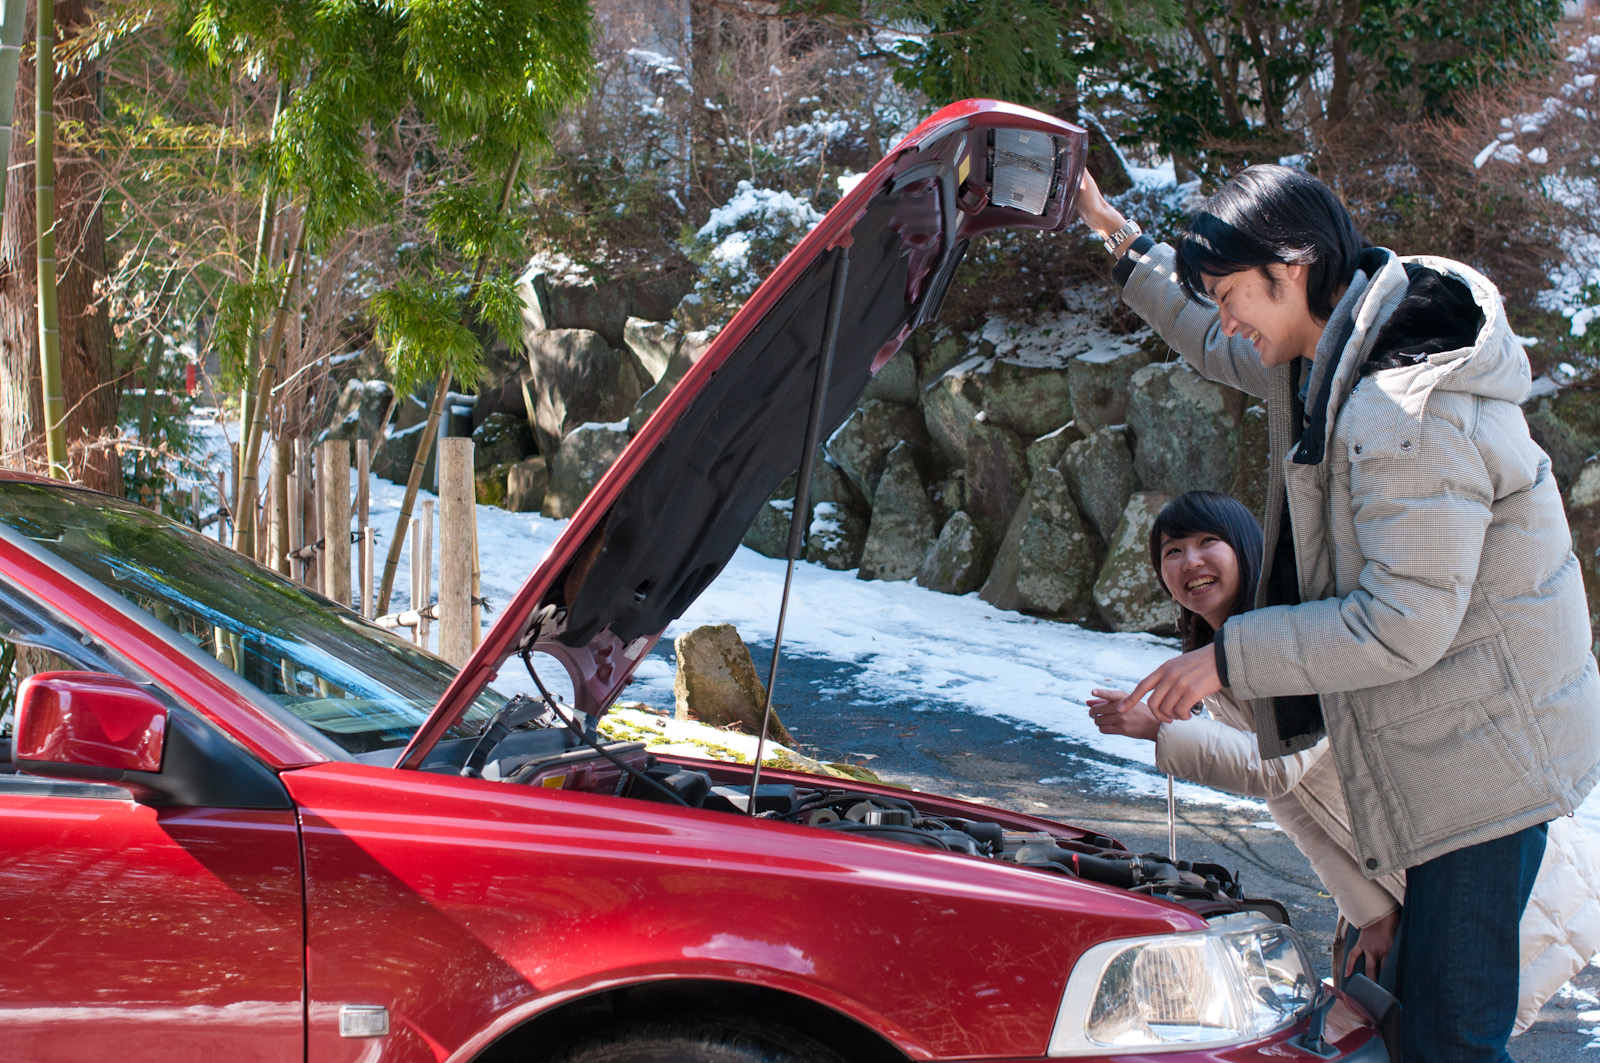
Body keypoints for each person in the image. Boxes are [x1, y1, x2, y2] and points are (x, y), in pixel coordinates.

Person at [1075, 164, 1600, 1063]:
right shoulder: (1326, 349)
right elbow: (1212, 339)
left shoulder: (1407, 409)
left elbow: (1400, 620)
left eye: (1236, 292)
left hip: (1489, 762)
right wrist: (1117, 240)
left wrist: (1226, 659)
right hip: (1448, 746)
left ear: (1296, 264)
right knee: (1426, 1026)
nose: (1231, 317)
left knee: (1449, 1039)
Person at [1087, 490, 1600, 1031]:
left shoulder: (1292, 635)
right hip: (1398, 867)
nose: (1190, 561)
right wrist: (1373, 914)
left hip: (1469, 848)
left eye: (1207, 541)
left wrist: (1159, 731)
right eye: (1172, 551)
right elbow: (1291, 804)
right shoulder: (1226, 665)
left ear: (1245, 546)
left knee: (1450, 1040)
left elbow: (1275, 766)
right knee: (1386, 1030)